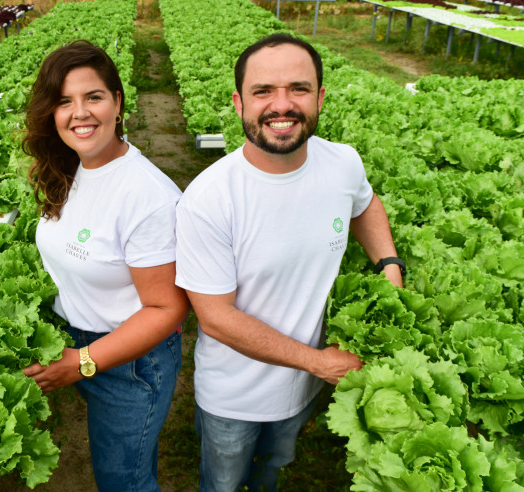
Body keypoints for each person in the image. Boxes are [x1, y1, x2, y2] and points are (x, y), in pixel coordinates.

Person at [174, 33, 404, 492]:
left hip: (305, 388)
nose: (283, 105)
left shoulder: (341, 163)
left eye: (298, 89)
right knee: (222, 483)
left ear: (318, 97)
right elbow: (217, 319)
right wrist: (318, 362)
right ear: (239, 103)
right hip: (235, 398)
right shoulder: (209, 198)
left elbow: (366, 205)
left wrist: (389, 264)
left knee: (271, 472)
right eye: (264, 92)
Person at [20, 40, 189, 492]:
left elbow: (167, 310)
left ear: (117, 102)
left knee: (123, 482)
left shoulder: (147, 197)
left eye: (93, 97)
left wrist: (82, 362)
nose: (80, 113)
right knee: (129, 463)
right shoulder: (70, 168)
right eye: (63, 101)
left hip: (130, 363)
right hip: (80, 341)